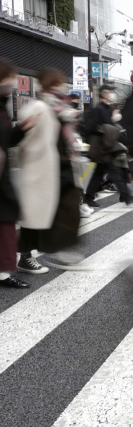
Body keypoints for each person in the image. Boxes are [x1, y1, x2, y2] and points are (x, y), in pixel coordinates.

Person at [17, 67, 84, 270]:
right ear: (47, 86)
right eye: (56, 84)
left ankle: (53, 250)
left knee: (60, 211)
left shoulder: (59, 109)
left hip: (59, 169)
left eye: (61, 83)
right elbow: (24, 141)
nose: (61, 88)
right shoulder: (38, 108)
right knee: (38, 215)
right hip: (43, 171)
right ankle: (30, 255)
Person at [0, 60, 39, 287]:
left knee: (5, 223)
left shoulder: (3, 104)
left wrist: (21, 129)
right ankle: (4, 274)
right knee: (5, 223)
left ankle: (4, 272)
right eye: (9, 78)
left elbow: (5, 141)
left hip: (3, 173)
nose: (13, 83)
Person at [84, 85, 133, 207]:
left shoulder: (108, 108)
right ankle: (126, 196)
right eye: (110, 92)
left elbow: (113, 128)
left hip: (107, 146)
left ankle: (88, 197)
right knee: (114, 172)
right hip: (103, 148)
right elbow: (93, 127)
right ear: (104, 94)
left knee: (100, 174)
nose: (112, 94)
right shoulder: (99, 109)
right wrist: (105, 130)